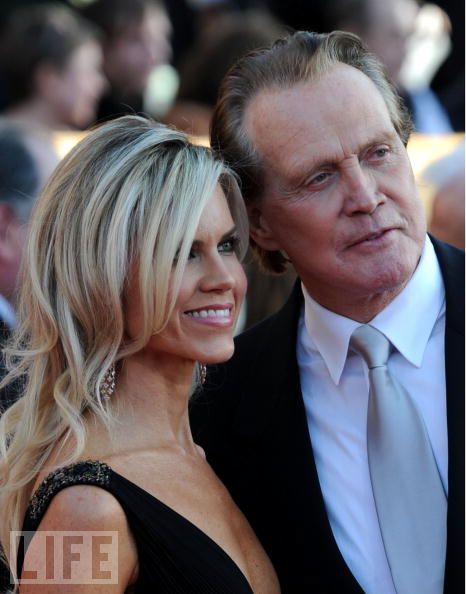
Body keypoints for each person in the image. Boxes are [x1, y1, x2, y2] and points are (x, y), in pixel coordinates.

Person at [190, 31, 464, 594]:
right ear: (258, 222)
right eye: (319, 177)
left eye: (378, 153)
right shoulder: (217, 409)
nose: (365, 195)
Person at [0, 115, 280, 593]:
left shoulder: (207, 451)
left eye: (228, 245)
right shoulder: (85, 509)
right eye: (181, 253)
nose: (223, 279)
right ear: (104, 278)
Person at [0, 3, 106, 131]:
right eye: (89, 71)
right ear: (49, 78)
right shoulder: (12, 146)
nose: (101, 84)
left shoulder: (56, 143)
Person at [79, 0, 172, 123]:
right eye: (137, 39)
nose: (154, 55)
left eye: (163, 37)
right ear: (102, 44)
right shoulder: (77, 112)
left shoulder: (148, 111)